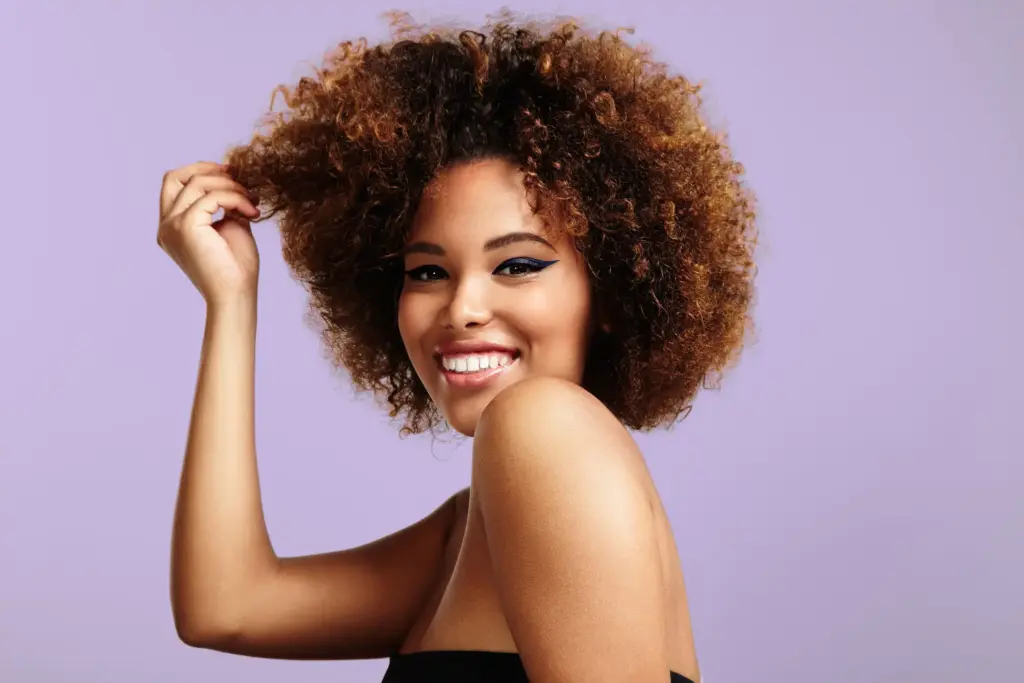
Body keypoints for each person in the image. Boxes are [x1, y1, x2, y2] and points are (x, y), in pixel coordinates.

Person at [157, 12, 756, 683]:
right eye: (428, 271)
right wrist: (232, 299)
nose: (462, 308)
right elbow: (225, 604)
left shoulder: (544, 427)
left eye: (519, 265)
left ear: (612, 294)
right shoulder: (466, 529)